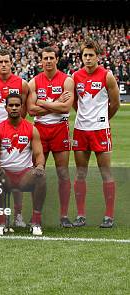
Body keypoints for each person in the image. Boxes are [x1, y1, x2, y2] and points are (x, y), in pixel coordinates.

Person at [71, 39, 120, 228]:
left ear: (97, 57)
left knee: (105, 173)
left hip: (100, 130)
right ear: (81, 57)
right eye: (85, 55)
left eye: (91, 55)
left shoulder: (107, 76)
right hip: (81, 129)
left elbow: (115, 103)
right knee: (80, 174)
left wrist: (103, 119)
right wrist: (84, 117)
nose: (88, 58)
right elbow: (75, 103)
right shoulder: (75, 76)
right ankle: (81, 215)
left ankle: (109, 216)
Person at [27, 46, 75, 228]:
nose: (48, 61)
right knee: (37, 173)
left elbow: (66, 108)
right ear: (41, 61)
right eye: (45, 58)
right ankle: (36, 216)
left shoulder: (67, 80)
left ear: (56, 59)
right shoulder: (33, 82)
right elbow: (31, 110)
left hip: (60, 129)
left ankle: (64, 216)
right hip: (40, 130)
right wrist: (55, 103)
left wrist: (42, 102)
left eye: (51, 58)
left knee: (63, 173)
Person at [0, 48, 31, 227]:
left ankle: (18, 214)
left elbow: (24, 110)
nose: (3, 65)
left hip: (13, 134)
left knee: (17, 174)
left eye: (6, 61)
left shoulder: (22, 84)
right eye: (0, 61)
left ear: (12, 63)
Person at [0, 93, 46, 236]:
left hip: (24, 175)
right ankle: (0, 223)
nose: (14, 108)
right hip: (6, 174)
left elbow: (39, 154)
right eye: (11, 105)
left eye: (17, 105)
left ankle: (36, 222)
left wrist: (39, 166)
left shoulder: (31, 128)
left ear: (22, 107)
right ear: (6, 108)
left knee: (41, 176)